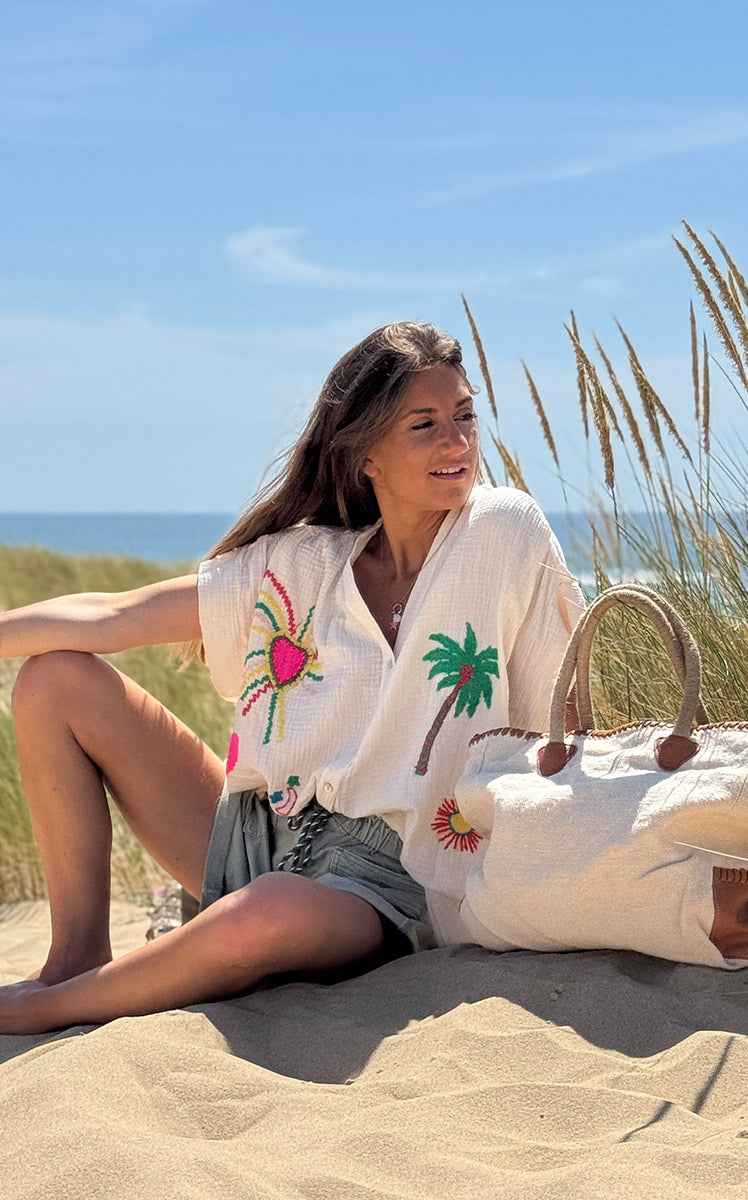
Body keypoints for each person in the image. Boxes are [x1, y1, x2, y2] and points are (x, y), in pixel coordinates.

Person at [0, 321, 583, 1035]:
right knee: (53, 678)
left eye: (464, 415)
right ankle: (74, 957)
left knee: (268, 912)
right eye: (424, 425)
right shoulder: (304, 565)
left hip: (382, 881)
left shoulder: (501, 528)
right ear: (365, 451)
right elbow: (113, 615)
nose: (457, 442)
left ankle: (46, 1007)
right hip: (254, 833)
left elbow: (561, 703)